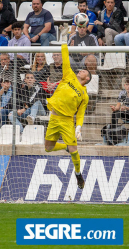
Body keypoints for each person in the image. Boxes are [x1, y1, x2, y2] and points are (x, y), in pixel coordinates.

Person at [44, 44, 91, 190]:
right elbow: (65, 58)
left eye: (84, 70)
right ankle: (65, 147)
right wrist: (64, 44)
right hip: (53, 118)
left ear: (87, 78)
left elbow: (81, 114)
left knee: (74, 149)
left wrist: (78, 128)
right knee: (48, 148)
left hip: (66, 121)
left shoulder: (84, 95)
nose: (81, 69)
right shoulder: (69, 75)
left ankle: (78, 174)